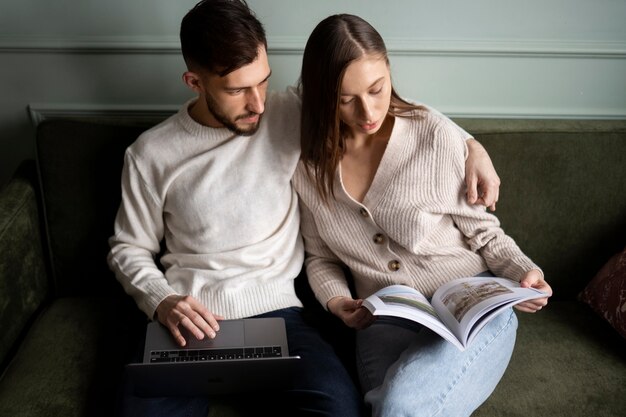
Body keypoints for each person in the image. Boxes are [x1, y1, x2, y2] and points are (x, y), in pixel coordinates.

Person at [107, 1, 503, 416]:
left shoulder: (291, 112)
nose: (257, 103)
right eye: (237, 90)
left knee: (338, 409)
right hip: (188, 323)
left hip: (281, 318)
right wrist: (162, 300)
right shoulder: (150, 154)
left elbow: (386, 106)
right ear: (194, 81)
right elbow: (127, 248)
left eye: (263, 82)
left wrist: (470, 146)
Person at [292, 14, 553, 417]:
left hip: (471, 305)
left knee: (399, 405)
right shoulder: (308, 168)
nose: (367, 110)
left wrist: (523, 273)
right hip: (385, 319)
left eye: (377, 89)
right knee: (391, 407)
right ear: (322, 96)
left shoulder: (433, 133)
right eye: (346, 99)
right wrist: (338, 301)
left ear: (389, 71)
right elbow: (320, 257)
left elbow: (484, 234)